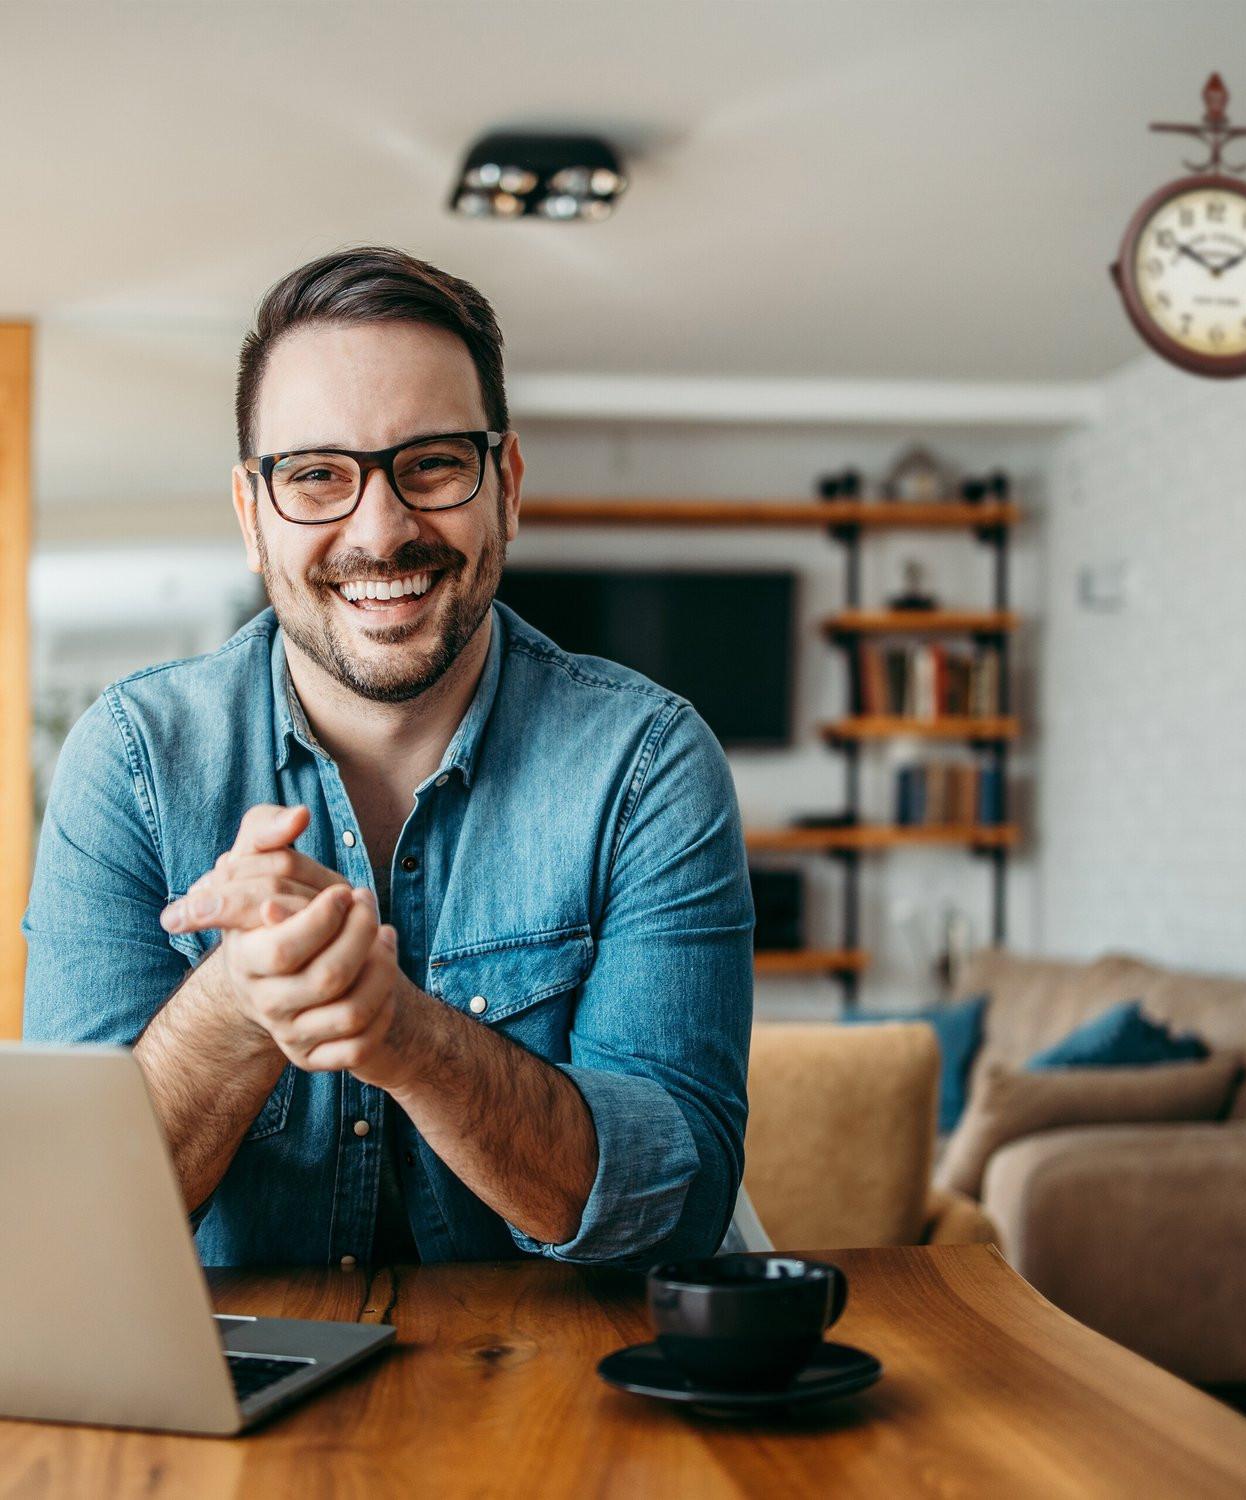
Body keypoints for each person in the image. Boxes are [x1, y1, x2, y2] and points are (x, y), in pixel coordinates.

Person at [22, 246, 755, 1270]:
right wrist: (236, 1003)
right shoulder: (133, 761)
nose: (382, 528)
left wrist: (405, 1034)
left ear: (505, 486)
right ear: (251, 515)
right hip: (235, 1406)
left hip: (560, 1408)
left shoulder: (648, 762)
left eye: (434, 463)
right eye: (317, 474)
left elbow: (673, 1208)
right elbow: (63, 1228)